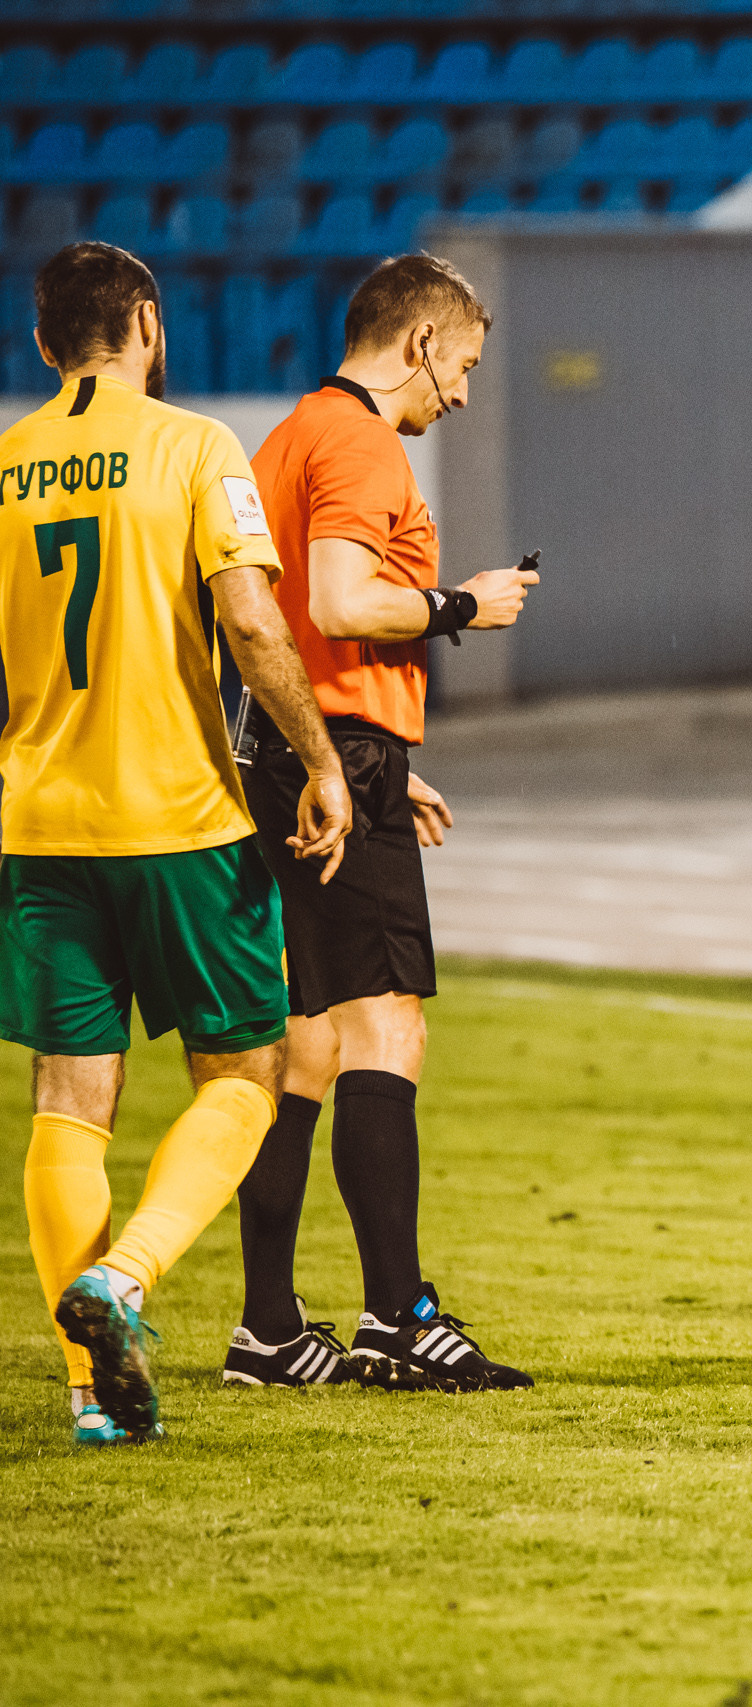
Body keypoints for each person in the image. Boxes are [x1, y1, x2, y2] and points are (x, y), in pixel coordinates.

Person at [2, 242, 352, 1444]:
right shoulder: (195, 446)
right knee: (247, 1073)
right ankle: (128, 1278)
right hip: (181, 819)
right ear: (147, 323)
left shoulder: (4, 464)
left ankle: (95, 1397)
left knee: (69, 1099)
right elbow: (252, 621)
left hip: (41, 825)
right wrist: (317, 763)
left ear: (45, 341)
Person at [226, 252, 543, 1394]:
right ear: (417, 344)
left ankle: (268, 1325)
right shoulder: (357, 439)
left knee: (308, 1041)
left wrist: (361, 754)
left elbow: (269, 627)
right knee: (386, 1028)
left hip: (306, 752)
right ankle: (397, 1320)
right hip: (331, 759)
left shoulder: (291, 436)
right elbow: (339, 603)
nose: (457, 394)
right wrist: (466, 605)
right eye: (458, 366)